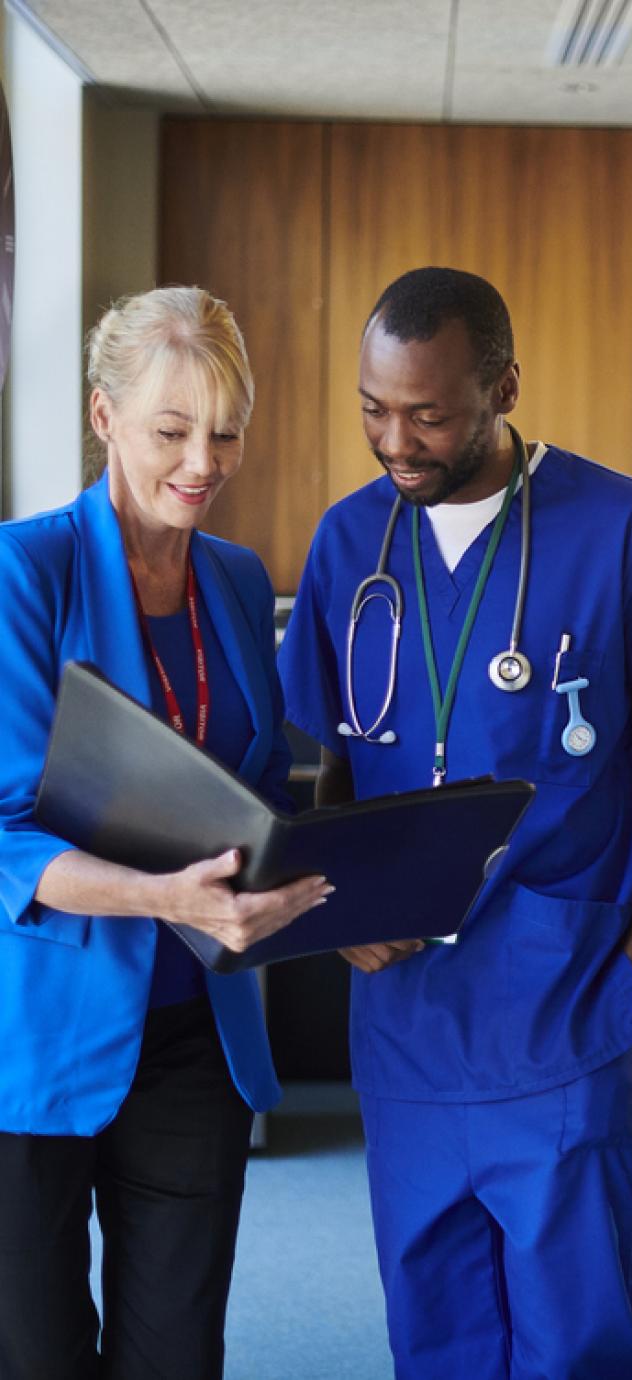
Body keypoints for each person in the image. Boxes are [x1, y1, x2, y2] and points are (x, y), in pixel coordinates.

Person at [278, 267, 632, 1377]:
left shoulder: (618, 526)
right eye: (372, 407)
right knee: (436, 1337)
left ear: (503, 387)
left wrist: (628, 973)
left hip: (563, 1007)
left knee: (575, 1346)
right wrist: (337, 911)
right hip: (404, 1024)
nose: (393, 439)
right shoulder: (348, 543)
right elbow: (331, 769)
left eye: (427, 414)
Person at [0, 287, 329, 1379]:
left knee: (175, 1355)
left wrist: (332, 893)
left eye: (225, 432)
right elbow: (5, 837)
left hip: (196, 1032)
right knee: (39, 1354)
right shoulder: (22, 574)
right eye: (171, 431)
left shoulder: (234, 580)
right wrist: (163, 897)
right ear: (104, 418)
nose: (203, 462)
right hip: (38, 1041)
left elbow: (256, 787)